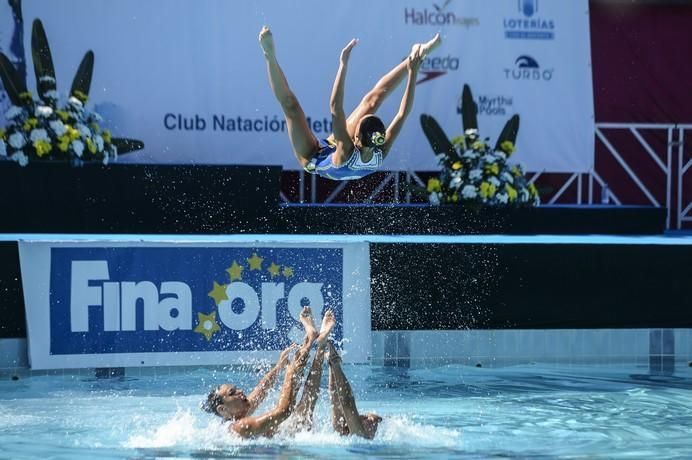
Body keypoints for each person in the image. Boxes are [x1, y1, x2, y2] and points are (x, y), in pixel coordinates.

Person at [259, 26, 441, 180]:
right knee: (372, 102)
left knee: (291, 107)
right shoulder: (380, 151)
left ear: (354, 138)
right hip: (340, 152)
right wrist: (413, 70)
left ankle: (269, 55)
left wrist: (343, 65)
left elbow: (335, 108)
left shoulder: (346, 149)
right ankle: (416, 56)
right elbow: (403, 113)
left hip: (312, 158)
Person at [201, 306, 318, 438]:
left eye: (236, 389)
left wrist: (278, 367)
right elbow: (283, 411)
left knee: (294, 395)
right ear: (222, 409)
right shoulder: (239, 427)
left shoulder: (236, 414)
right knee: (295, 408)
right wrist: (289, 373)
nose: (240, 392)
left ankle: (309, 341)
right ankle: (312, 343)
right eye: (232, 393)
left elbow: (261, 390)